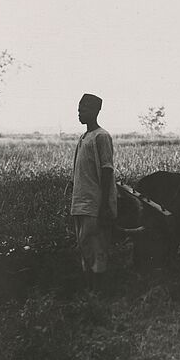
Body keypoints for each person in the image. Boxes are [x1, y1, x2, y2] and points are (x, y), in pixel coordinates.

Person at [71, 93, 117, 286]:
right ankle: (90, 288)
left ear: (96, 111)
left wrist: (105, 204)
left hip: (94, 202)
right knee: (85, 246)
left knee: (95, 245)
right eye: (79, 108)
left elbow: (107, 170)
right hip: (80, 202)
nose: (80, 112)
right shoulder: (84, 137)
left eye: (84, 109)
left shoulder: (102, 136)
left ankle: (100, 289)